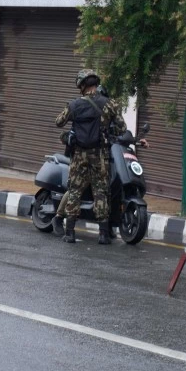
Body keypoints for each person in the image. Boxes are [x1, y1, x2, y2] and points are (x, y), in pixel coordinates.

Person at [53, 69, 126, 245]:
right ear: (96, 84)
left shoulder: (75, 104)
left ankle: (70, 233)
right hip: (100, 155)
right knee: (101, 192)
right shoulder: (109, 104)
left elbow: (59, 122)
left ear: (82, 85)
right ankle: (103, 235)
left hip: (79, 155)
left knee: (75, 191)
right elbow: (121, 128)